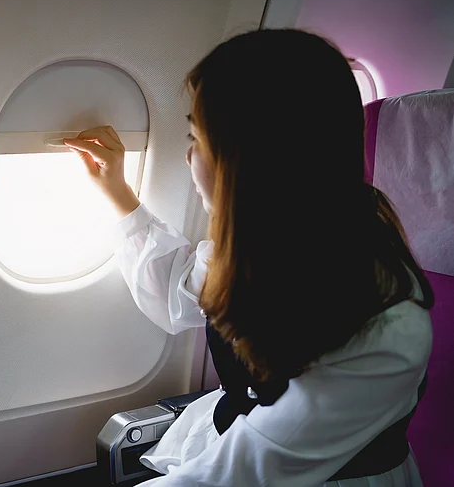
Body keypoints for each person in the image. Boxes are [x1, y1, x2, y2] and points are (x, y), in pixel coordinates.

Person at [63, 29, 434, 486]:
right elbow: (181, 296)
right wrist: (119, 194)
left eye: (199, 138)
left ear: (252, 159)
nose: (188, 156)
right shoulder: (267, 239)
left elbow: (248, 470)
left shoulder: (385, 326)